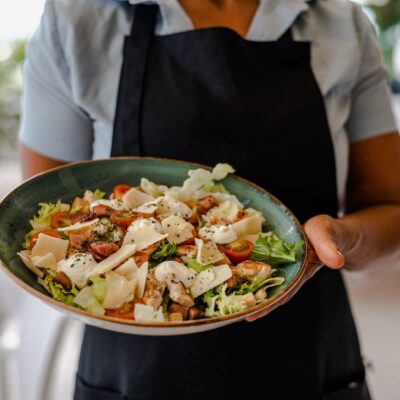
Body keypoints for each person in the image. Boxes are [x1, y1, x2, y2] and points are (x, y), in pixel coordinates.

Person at [18, 0, 400, 399]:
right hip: (132, 372)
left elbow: (391, 212)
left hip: (306, 358)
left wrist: (339, 237)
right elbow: (44, 208)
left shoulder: (343, 24)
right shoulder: (76, 20)